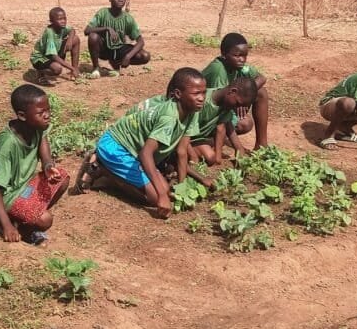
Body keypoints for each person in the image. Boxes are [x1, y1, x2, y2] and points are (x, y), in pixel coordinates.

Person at [74, 68, 207, 219]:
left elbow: (182, 151)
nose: (201, 98)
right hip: (116, 147)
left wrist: (182, 188)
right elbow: (146, 154)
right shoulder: (169, 117)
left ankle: (113, 169)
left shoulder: (193, 111)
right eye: (196, 93)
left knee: (166, 190)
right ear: (178, 94)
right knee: (157, 198)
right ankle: (102, 168)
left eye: (204, 92)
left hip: (134, 152)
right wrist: (162, 196)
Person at [0, 85, 69, 245]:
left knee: (61, 178)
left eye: (48, 110)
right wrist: (6, 225)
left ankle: (21, 219)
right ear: (22, 115)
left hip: (23, 186)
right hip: (6, 195)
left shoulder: (36, 127)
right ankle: (14, 225)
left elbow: (43, 141)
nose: (47, 116)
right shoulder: (7, 144)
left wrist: (47, 166)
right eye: (41, 113)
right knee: (45, 220)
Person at [202, 32, 269, 149]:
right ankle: (209, 140)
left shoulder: (241, 67)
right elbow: (221, 106)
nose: (242, 60)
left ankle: (261, 145)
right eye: (237, 55)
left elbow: (262, 78)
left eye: (245, 56)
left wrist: (245, 97)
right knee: (244, 124)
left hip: (227, 104)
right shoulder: (218, 70)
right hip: (205, 114)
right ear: (224, 54)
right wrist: (238, 101)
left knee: (261, 92)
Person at [189, 77, 258, 166]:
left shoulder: (226, 105)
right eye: (237, 104)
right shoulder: (202, 103)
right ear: (233, 91)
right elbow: (182, 132)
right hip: (186, 139)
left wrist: (220, 156)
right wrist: (192, 155)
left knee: (212, 156)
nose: (237, 108)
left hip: (199, 138)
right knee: (209, 157)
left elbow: (221, 127)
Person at [84, 0, 150, 79]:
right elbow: (87, 30)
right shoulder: (103, 13)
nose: (120, 0)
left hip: (119, 50)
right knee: (93, 37)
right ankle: (96, 68)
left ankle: (116, 63)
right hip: (104, 49)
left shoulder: (128, 19)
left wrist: (128, 56)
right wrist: (106, 28)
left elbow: (141, 41)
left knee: (145, 56)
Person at [30, 7, 80, 85]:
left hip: (54, 52)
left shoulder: (62, 27)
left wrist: (69, 40)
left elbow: (72, 30)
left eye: (64, 18)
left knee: (75, 39)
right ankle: (40, 71)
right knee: (57, 69)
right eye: (59, 19)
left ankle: (75, 71)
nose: (63, 21)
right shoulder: (50, 33)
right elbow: (53, 56)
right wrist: (71, 68)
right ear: (51, 21)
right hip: (40, 58)